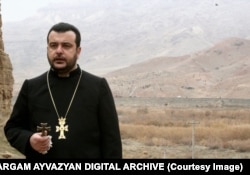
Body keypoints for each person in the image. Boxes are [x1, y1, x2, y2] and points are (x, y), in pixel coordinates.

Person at [4, 22, 122, 159]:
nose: (59, 51)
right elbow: (12, 129)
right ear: (47, 49)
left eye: (66, 46)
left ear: (78, 51)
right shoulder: (31, 87)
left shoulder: (98, 86)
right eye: (53, 45)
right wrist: (29, 139)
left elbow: (112, 141)